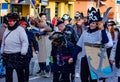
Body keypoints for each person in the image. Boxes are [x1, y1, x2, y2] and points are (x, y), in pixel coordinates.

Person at [71, 7, 113, 82]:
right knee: (83, 78)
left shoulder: (100, 32)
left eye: (93, 23)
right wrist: (72, 57)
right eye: (90, 23)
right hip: (85, 59)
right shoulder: (85, 33)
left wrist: (102, 29)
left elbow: (105, 41)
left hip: (95, 59)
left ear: (97, 24)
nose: (92, 25)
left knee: (93, 79)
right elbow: (78, 46)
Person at [1, 12, 29, 82]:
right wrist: (2, 51)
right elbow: (3, 42)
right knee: (8, 75)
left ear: (16, 21)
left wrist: (23, 53)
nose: (9, 23)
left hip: (17, 54)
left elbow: (25, 42)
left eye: (11, 21)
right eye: (9, 21)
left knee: (20, 74)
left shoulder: (20, 30)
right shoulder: (7, 30)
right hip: (7, 55)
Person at [57, 15, 78, 82]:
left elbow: (76, 39)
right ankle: (63, 77)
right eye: (64, 21)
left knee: (71, 65)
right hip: (63, 50)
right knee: (64, 65)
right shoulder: (59, 30)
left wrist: (75, 49)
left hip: (71, 50)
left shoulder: (71, 29)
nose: (65, 22)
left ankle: (72, 76)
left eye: (67, 20)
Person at [19, 17, 39, 82]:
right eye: (21, 24)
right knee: (19, 68)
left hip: (28, 52)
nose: (22, 25)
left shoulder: (29, 33)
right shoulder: (16, 32)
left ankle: (26, 80)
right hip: (18, 52)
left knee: (26, 67)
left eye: (24, 24)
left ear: (26, 25)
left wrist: (36, 49)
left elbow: (35, 42)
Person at [36, 13, 53, 77]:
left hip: (47, 41)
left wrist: (44, 28)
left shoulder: (48, 24)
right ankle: (42, 70)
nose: (44, 18)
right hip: (40, 41)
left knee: (48, 57)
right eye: (42, 17)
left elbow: (50, 29)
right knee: (40, 56)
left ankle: (48, 70)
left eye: (45, 17)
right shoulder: (37, 23)